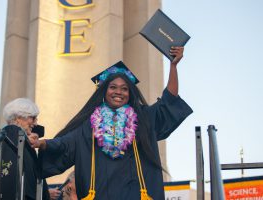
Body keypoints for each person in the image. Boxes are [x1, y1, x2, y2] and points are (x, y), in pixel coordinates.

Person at [34, 47, 193, 199]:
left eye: (124, 89)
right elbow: (66, 144)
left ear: (130, 94)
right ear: (104, 91)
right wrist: (42, 143)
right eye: (113, 87)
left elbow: (168, 101)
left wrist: (173, 66)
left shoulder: (142, 118)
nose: (118, 92)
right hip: (101, 193)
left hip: (137, 194)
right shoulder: (90, 124)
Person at [2, 98, 61, 200]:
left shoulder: (15, 141)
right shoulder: (7, 139)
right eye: (33, 118)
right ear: (18, 118)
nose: (36, 123)